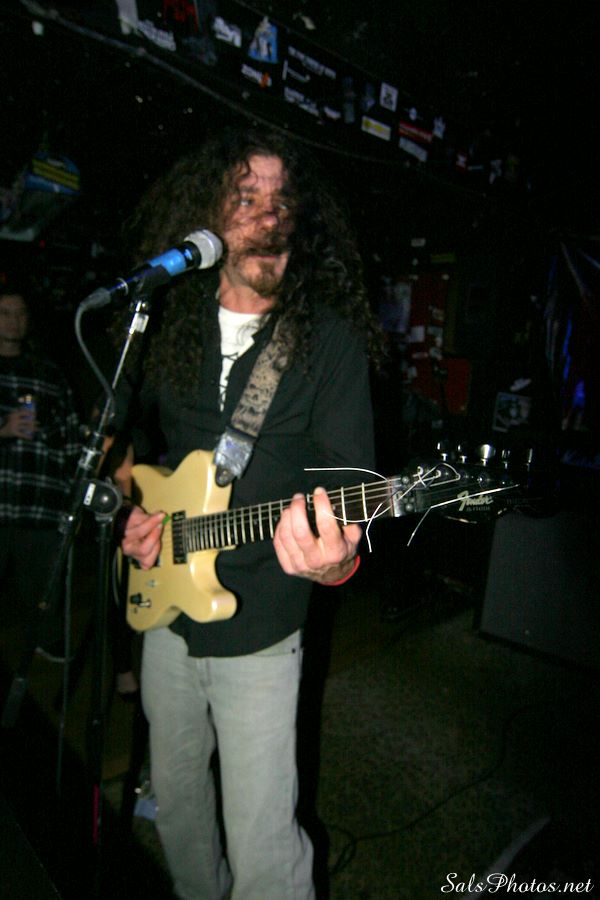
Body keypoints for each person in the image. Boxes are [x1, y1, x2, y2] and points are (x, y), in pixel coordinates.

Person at [117, 127, 381, 899]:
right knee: (177, 805)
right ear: (206, 217)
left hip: (263, 624)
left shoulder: (326, 342)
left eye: (282, 201)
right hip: (165, 615)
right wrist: (134, 511)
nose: (269, 217)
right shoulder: (173, 318)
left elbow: (350, 489)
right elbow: (139, 444)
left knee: (264, 846)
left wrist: (338, 559)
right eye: (245, 198)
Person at [0, 280, 80, 661]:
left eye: (20, 314)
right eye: (5, 313)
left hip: (40, 503)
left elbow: (71, 438)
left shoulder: (49, 374)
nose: (14, 321)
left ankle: (46, 645)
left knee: (44, 591)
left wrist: (72, 494)